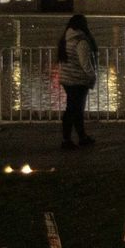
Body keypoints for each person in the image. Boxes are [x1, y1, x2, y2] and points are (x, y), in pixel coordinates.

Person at [55, 14, 98, 149]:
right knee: (75, 110)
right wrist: (92, 76)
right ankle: (71, 139)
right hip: (78, 79)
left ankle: (75, 137)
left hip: (67, 79)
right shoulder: (81, 41)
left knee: (72, 109)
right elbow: (85, 63)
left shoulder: (66, 39)